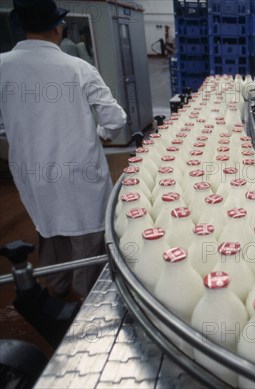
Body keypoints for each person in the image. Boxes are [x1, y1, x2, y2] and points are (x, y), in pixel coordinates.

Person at [1, 0, 127, 298]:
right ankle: (89, 301)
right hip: (78, 173)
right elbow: (115, 119)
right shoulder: (78, 68)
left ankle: (55, 288)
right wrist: (101, 133)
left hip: (32, 173)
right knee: (87, 238)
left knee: (50, 230)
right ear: (58, 28)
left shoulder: (2, 66)